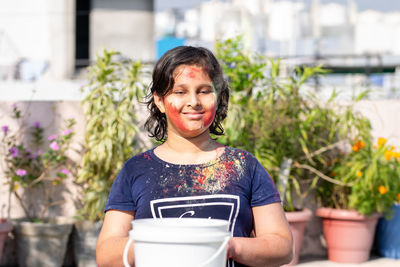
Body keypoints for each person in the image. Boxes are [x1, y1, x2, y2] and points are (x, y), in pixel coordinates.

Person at [96, 46, 293, 267]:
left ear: (219, 96)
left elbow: (282, 247)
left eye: (204, 91)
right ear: (159, 101)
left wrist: (226, 246)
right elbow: (106, 253)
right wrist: (162, 244)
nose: (194, 101)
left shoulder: (245, 166)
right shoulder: (135, 170)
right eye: (180, 92)